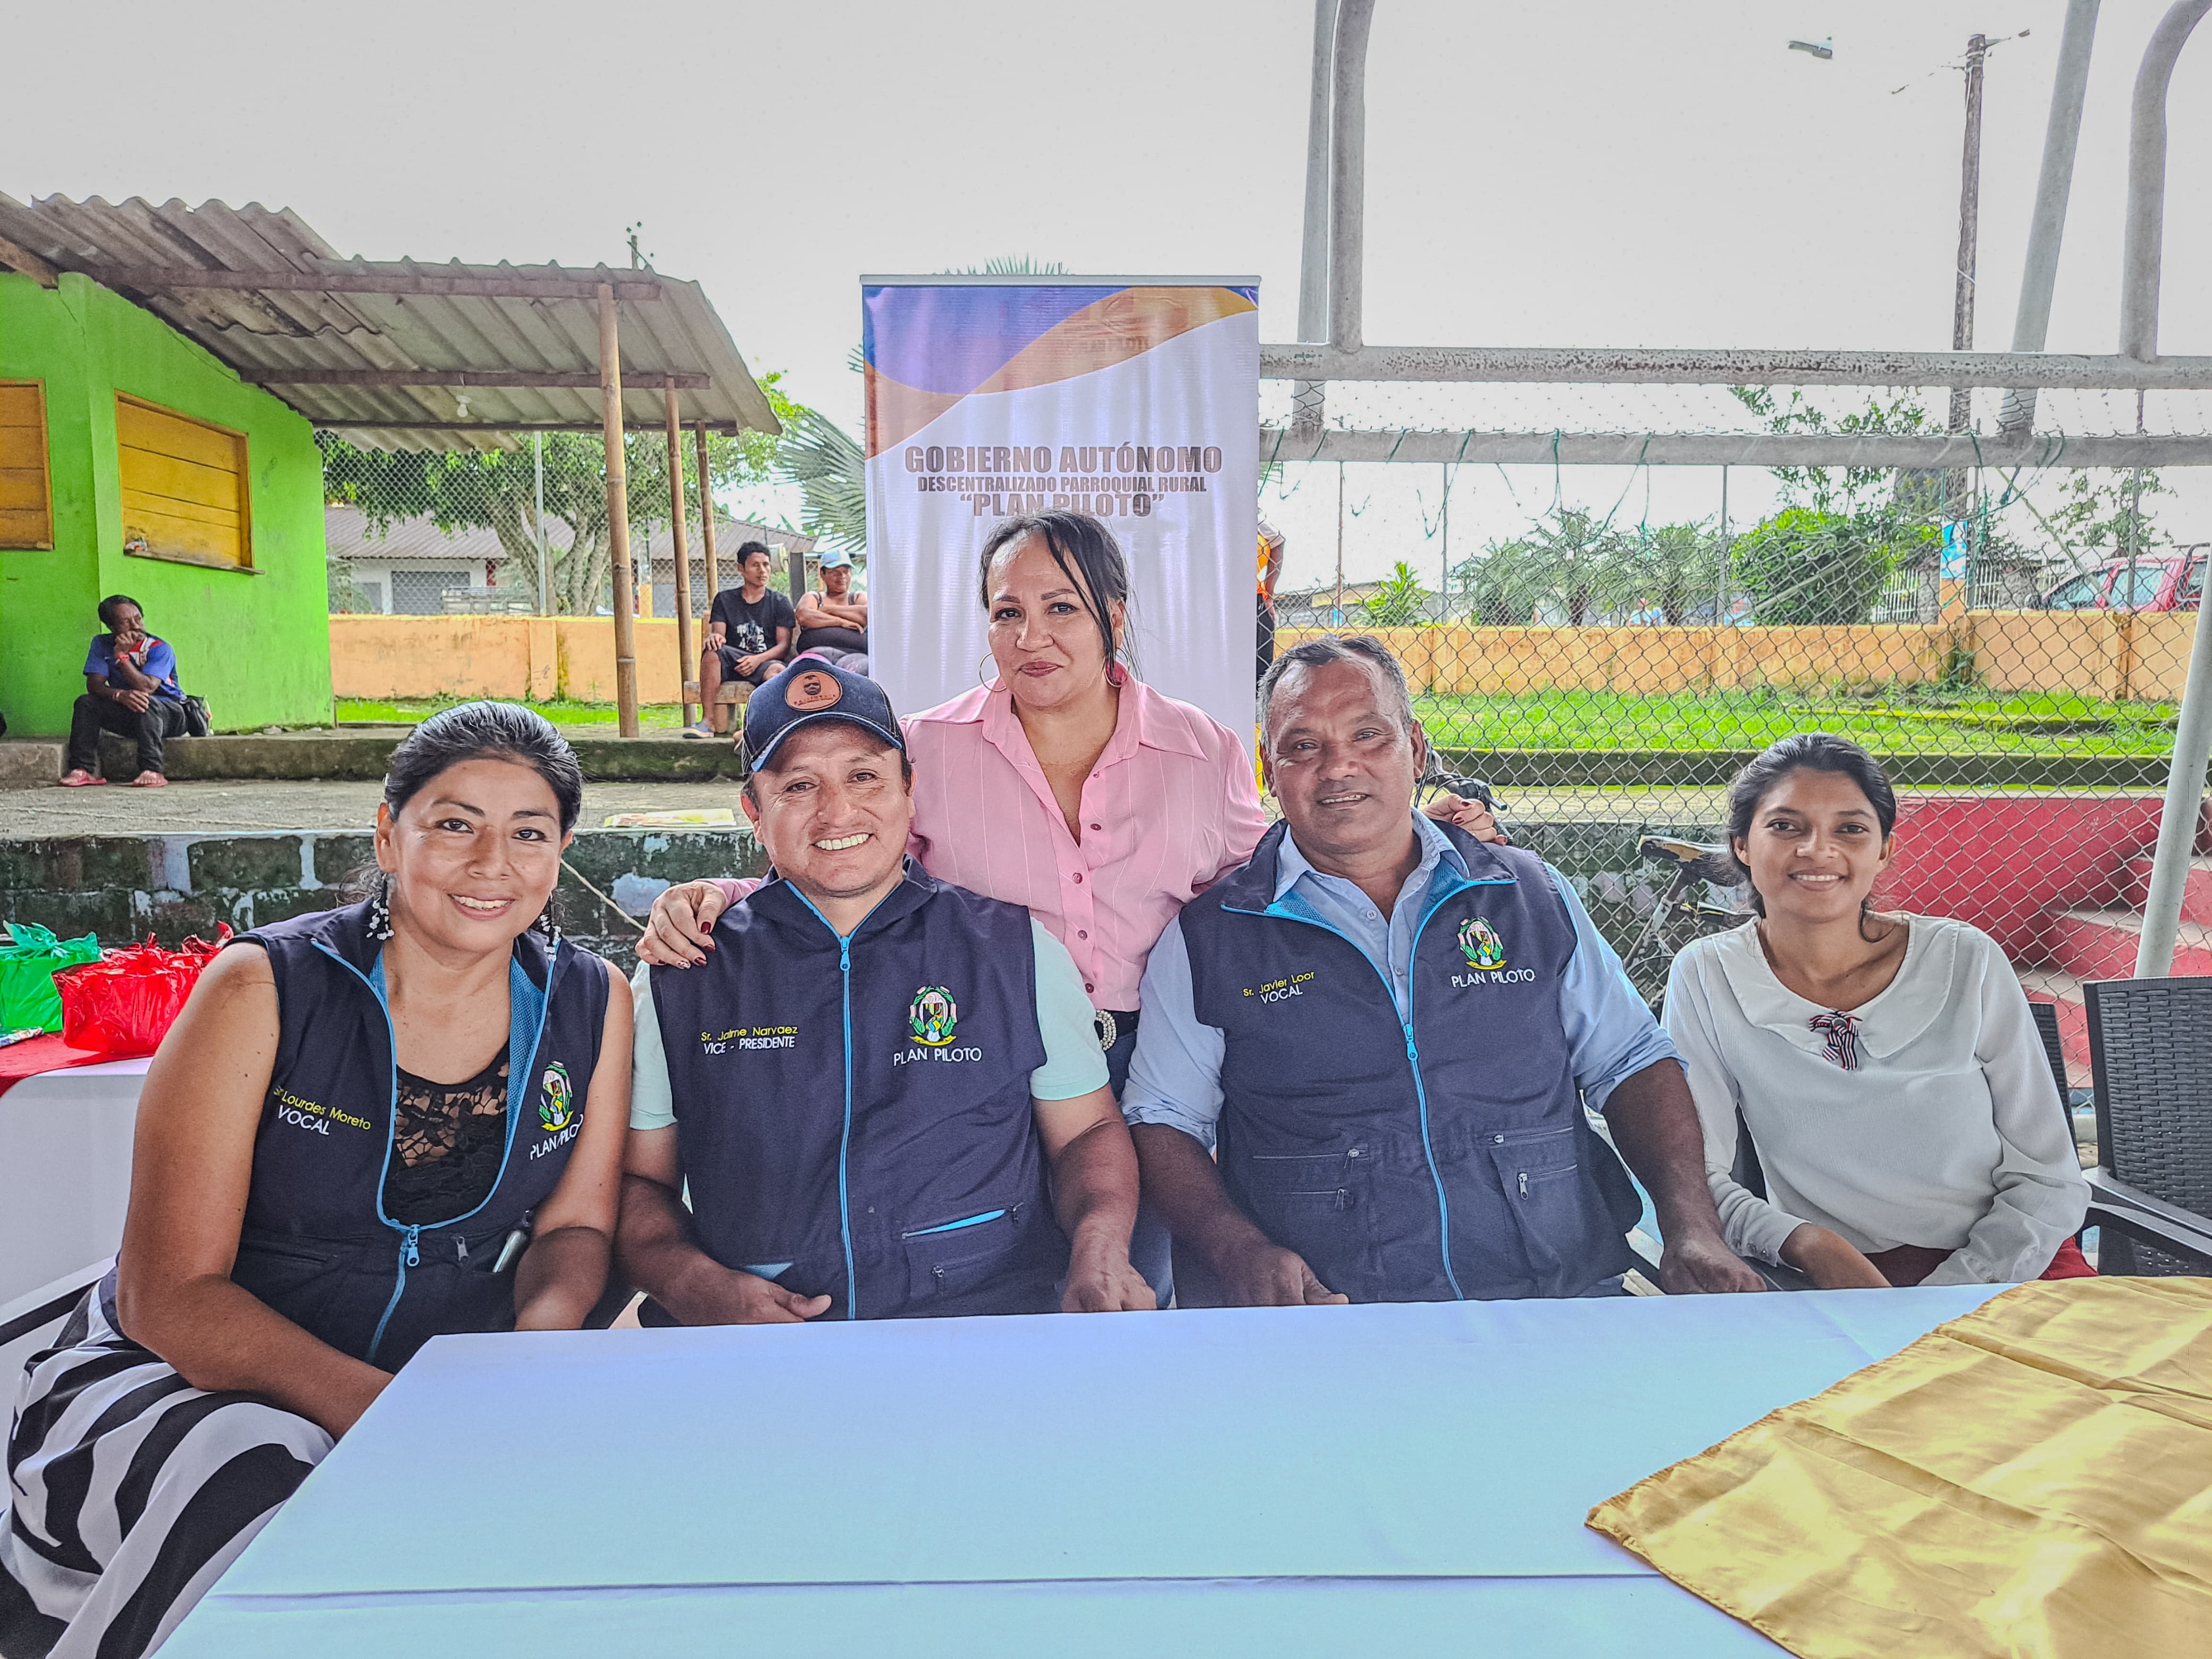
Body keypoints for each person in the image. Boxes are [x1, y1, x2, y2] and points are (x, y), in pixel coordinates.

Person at [639, 513, 1502, 1303]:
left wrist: (1402, 828)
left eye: (1062, 608)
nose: (1032, 637)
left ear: (1113, 617)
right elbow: (846, 859)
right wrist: (726, 899)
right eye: (1007, 613)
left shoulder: (1197, 748)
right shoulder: (931, 747)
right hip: (975, 1062)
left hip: (1153, 1063)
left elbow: (1267, 874)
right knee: (986, 1262)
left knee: (1126, 1283)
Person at [1, 703, 630, 1659]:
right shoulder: (266, 986)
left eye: (528, 833)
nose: (491, 863)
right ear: (388, 835)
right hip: (179, 1384)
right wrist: (400, 1417)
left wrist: (525, 1361)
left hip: (446, 1387)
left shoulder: (591, 999)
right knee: (261, 1477)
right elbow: (169, 1296)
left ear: (561, 852)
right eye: (454, 823)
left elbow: (577, 1228)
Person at [1121, 633, 1764, 1306]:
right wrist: (1237, 1250)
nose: (1338, 768)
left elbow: (1630, 1063)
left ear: (1415, 747)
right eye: (1303, 746)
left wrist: (1692, 1230)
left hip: (1558, 1295)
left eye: (1367, 736)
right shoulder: (1211, 937)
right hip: (1329, 1310)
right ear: (1267, 766)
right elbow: (1163, 1119)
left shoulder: (1527, 896)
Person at [618, 659, 1153, 1323]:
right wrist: (687, 1282)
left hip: (984, 1326)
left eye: (864, 776)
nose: (838, 811)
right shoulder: (685, 969)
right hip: (758, 1340)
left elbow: (1087, 1132)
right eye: (799, 786)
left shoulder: (1014, 950)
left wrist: (1099, 1248)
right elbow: (641, 1180)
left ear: (908, 788)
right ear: (754, 810)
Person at [1664, 734, 2092, 1289]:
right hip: (1846, 1279)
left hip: (2015, 1262)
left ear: (1884, 850)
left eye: (1850, 829)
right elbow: (1696, 1178)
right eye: (1785, 826)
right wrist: (1804, 1242)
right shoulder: (1707, 976)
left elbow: (2048, 1177)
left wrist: (1947, 1294)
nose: (1817, 850)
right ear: (1741, 845)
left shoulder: (1964, 960)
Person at [61, 594, 188, 788]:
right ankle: (83, 769)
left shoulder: (159, 648)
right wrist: (120, 696)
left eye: (138, 619)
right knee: (85, 703)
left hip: (170, 713)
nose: (136, 626)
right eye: (126, 622)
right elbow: (94, 685)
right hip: (132, 714)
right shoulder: (102, 644)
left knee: (145, 701)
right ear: (111, 627)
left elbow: (147, 687)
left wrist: (122, 657)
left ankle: (152, 770)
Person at [690, 541, 795, 737]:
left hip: (765, 661)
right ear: (741, 568)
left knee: (777, 671)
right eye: (756, 565)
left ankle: (765, 726)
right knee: (712, 652)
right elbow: (720, 637)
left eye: (766, 565)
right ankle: (707, 723)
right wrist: (714, 637)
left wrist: (757, 660)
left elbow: (784, 646)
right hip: (734, 661)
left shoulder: (779, 602)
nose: (763, 571)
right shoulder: (725, 599)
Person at [793, 547, 870, 674]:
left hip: (853, 655)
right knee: (804, 672)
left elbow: (865, 616)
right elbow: (804, 615)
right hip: (816, 654)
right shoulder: (814, 597)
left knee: (855, 675)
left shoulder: (857, 597)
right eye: (835, 572)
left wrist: (828, 610)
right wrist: (842, 622)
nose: (842, 577)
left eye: (846, 572)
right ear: (822, 574)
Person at [1256, 518, 1285, 683]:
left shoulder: (1253, 518)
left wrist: (1269, 596)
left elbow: (1277, 541)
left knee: (1261, 670)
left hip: (1254, 598)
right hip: (1214, 597)